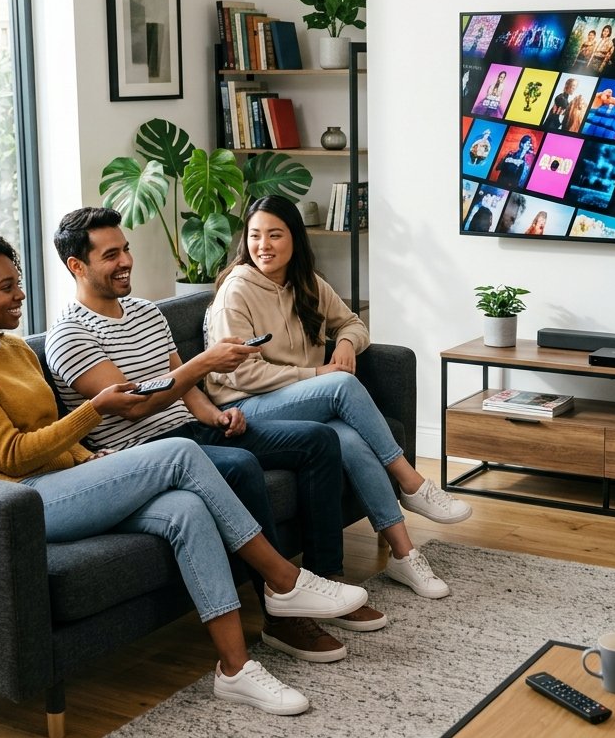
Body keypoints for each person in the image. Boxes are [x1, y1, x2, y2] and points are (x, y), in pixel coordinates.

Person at [0, 232, 369, 716]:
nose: (20, 294)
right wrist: (94, 412)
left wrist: (92, 461)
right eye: (6, 288)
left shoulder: (15, 350)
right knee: (178, 454)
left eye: (18, 282)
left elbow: (49, 435)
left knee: (187, 510)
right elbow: (13, 456)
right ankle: (285, 580)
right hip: (18, 504)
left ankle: (235, 670)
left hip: (65, 483)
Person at [45, 207, 382, 664]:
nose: (126, 261)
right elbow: (138, 404)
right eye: (111, 255)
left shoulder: (145, 311)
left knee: (317, 441)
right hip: (143, 455)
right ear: (77, 266)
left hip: (192, 431)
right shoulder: (70, 333)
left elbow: (181, 387)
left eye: (125, 249)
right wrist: (203, 364)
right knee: (242, 468)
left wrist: (213, 416)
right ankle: (283, 618)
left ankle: (325, 580)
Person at [206, 196, 474, 600]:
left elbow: (352, 322)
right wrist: (318, 374)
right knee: (342, 386)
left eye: (275, 235)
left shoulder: (307, 282)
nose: (264, 245)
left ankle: (404, 554)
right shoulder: (237, 291)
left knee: (349, 440)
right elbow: (241, 372)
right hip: (243, 406)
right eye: (255, 235)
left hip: (297, 400)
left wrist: (347, 342)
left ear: (295, 238)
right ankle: (412, 483)